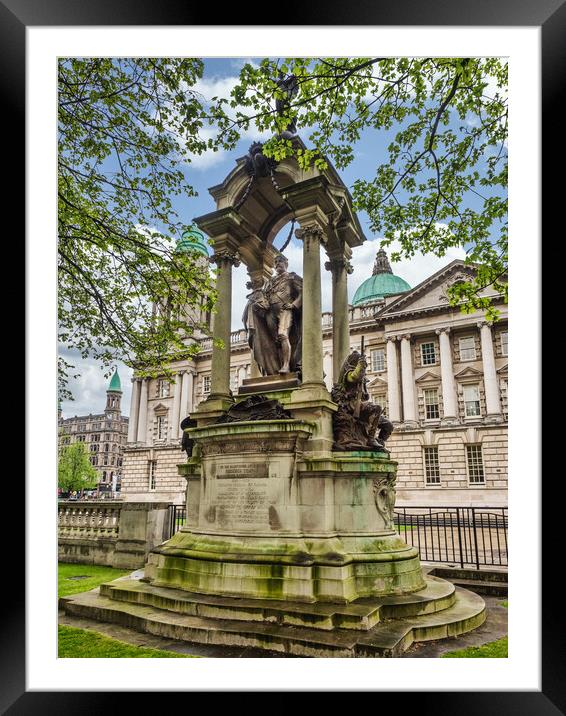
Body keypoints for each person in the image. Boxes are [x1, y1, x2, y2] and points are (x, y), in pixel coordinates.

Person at [242, 254, 302, 376]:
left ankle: (286, 366)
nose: (278, 263)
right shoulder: (270, 282)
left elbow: (303, 292)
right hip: (270, 312)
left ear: (286, 263)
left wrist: (294, 305)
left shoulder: (292, 277)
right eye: (276, 262)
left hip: (285, 310)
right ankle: (278, 367)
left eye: (280, 261)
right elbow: (264, 295)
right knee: (275, 341)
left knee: (282, 335)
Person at [331, 350, 393, 452]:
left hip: (361, 406)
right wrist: (360, 366)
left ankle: (379, 443)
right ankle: (370, 439)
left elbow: (365, 394)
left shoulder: (363, 377)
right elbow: (354, 377)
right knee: (376, 408)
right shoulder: (348, 373)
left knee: (388, 425)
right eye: (357, 361)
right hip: (351, 404)